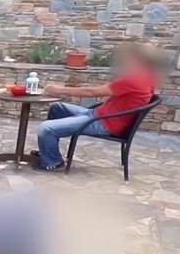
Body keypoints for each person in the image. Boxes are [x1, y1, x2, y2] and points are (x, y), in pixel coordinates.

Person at [35, 41, 160, 171]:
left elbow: (91, 92)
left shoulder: (134, 79)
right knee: (57, 107)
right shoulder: (148, 76)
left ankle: (54, 162)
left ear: (135, 59)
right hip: (100, 115)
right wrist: (112, 96)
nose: (123, 61)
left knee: (45, 129)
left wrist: (59, 89)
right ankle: (47, 152)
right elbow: (126, 96)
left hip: (103, 123)